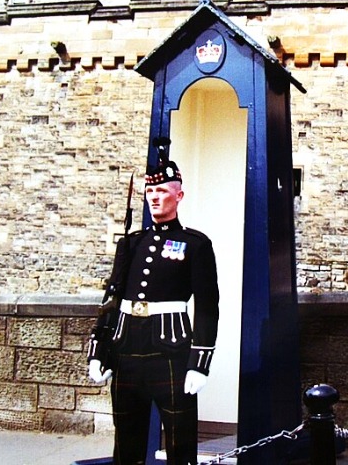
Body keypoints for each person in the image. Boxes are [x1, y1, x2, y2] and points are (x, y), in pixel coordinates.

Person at [87, 138, 219, 465]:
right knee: (127, 438)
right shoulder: (131, 243)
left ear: (179, 196)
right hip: (126, 346)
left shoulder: (195, 244)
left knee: (179, 439)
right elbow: (112, 299)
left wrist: (199, 362)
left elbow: (207, 306)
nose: (155, 198)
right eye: (150, 193)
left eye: (162, 192)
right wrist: (98, 351)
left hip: (170, 349)